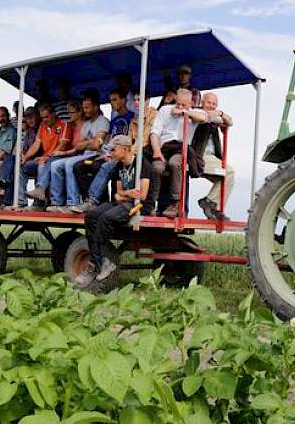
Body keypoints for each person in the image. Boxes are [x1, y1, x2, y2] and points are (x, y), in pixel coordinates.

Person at [75, 135, 152, 287]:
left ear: (125, 149)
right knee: (91, 216)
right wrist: (128, 194)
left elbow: (142, 195)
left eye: (113, 149)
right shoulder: (118, 166)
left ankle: (98, 263)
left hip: (139, 205)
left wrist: (125, 195)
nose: (111, 152)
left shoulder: (142, 164)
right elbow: (117, 193)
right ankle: (100, 262)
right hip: (124, 201)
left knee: (106, 218)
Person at [31, 94, 108, 211]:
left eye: (87, 107)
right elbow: (79, 146)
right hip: (84, 154)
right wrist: (87, 143)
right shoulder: (87, 124)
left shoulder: (102, 121)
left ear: (96, 107)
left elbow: (96, 145)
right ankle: (57, 203)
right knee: (55, 165)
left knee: (68, 164)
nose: (85, 110)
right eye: (84, 107)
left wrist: (85, 144)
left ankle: (73, 202)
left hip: (97, 155)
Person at [0, 103, 67, 207]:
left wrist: (45, 157)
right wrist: (25, 157)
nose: (29, 121)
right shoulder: (36, 129)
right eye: (26, 119)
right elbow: (34, 146)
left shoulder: (57, 125)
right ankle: (19, 201)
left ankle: (40, 202)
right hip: (36, 160)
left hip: (51, 159)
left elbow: (61, 146)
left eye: (31, 117)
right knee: (17, 165)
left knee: (39, 165)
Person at [150, 88, 208, 217]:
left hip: (180, 149)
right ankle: (151, 203)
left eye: (184, 104)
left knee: (175, 163)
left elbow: (204, 117)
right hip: (164, 147)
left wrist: (184, 112)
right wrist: (157, 151)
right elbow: (155, 133)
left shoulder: (194, 113)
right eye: (178, 104)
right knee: (157, 167)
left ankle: (175, 203)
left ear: (190, 104)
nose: (180, 106)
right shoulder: (165, 110)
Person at [191, 92, 234, 220]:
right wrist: (212, 116)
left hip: (212, 157)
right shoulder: (195, 113)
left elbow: (230, 122)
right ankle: (209, 202)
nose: (211, 105)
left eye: (214, 104)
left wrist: (220, 114)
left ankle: (215, 208)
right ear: (202, 102)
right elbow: (202, 117)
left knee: (225, 179)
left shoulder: (216, 117)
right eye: (209, 102)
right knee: (229, 172)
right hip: (199, 154)